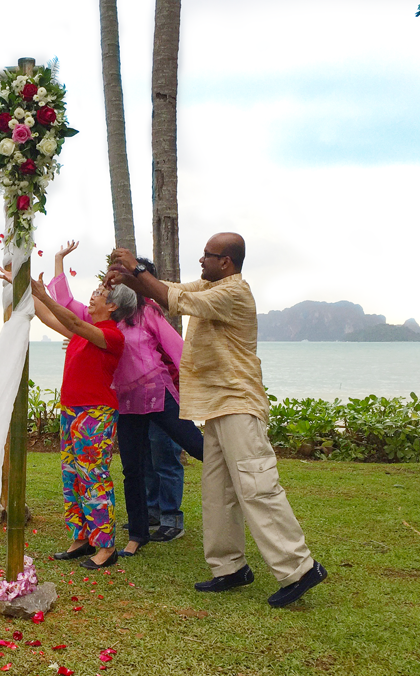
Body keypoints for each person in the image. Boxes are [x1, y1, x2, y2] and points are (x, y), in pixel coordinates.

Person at [110, 232, 326, 607]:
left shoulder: (234, 292)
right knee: (217, 493)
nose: (201, 261)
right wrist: (126, 277)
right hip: (214, 407)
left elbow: (174, 299)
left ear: (225, 261)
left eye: (207, 255)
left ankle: (300, 568)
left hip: (238, 404)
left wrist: (137, 268)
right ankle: (229, 568)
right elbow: (170, 288)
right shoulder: (213, 284)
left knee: (258, 487)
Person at [46, 243, 203, 554]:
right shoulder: (100, 322)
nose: (107, 284)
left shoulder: (147, 313)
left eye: (114, 280)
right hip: (127, 402)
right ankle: (137, 535)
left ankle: (230, 482)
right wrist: (58, 263)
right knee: (132, 468)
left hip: (157, 395)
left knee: (194, 447)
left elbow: (179, 351)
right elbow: (65, 305)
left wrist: (197, 388)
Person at [29, 273, 129, 569]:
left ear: (112, 306)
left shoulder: (111, 335)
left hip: (95, 414)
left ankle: (105, 546)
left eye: (99, 292)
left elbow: (72, 322)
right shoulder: (82, 334)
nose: (94, 295)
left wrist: (45, 294)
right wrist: (20, 283)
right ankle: (82, 536)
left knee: (93, 477)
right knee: (72, 476)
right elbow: (45, 315)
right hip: (71, 410)